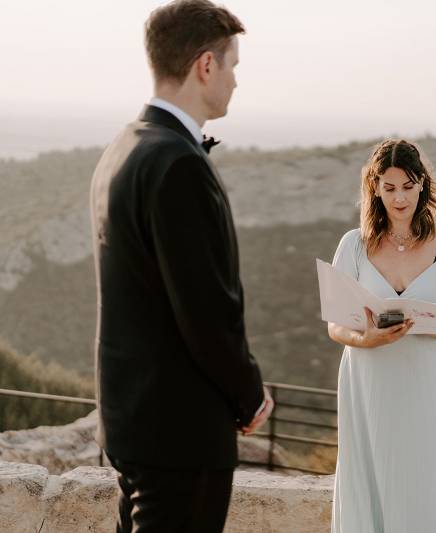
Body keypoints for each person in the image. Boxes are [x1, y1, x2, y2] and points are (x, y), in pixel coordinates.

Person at [89, 1, 272, 531]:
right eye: (232, 66)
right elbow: (204, 306)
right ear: (205, 66)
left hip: (135, 421)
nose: (235, 81)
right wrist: (249, 394)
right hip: (181, 432)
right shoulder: (177, 163)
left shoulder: (124, 147)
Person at [327, 139, 436, 532]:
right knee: (374, 469)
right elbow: (335, 324)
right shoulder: (353, 244)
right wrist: (366, 340)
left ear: (423, 186)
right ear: (375, 189)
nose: (400, 198)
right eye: (390, 187)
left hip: (425, 375)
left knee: (430, 470)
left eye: (408, 186)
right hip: (368, 375)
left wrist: (425, 319)